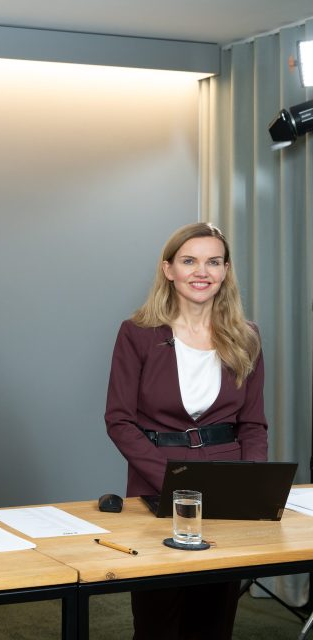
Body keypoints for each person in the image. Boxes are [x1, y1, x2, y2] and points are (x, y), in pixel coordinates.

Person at [105, 222, 267, 639]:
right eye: (189, 261)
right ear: (168, 269)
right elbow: (119, 420)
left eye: (214, 262)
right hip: (155, 481)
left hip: (226, 485)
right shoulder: (138, 333)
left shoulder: (246, 337)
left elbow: (252, 424)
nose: (202, 271)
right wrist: (173, 482)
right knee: (158, 618)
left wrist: (252, 489)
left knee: (213, 619)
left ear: (226, 271)